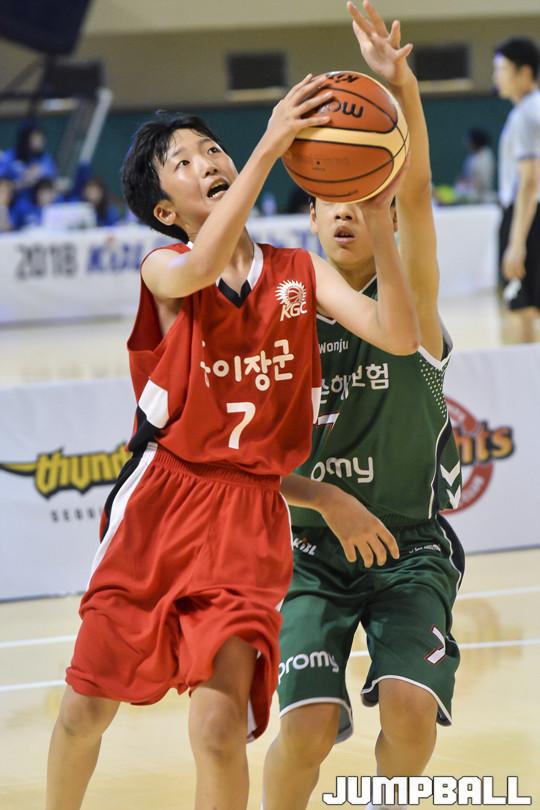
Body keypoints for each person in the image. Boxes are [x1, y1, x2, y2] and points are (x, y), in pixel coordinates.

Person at [45, 74, 419, 810]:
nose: (208, 162)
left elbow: (399, 336)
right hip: (161, 506)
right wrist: (270, 146)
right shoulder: (164, 269)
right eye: (183, 162)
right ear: (164, 210)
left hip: (248, 520)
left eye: (213, 149)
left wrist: (379, 219)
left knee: (219, 730)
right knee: (86, 708)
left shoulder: (299, 272)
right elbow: (198, 267)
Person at [263, 4, 465, 809]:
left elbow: (416, 196)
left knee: (411, 716)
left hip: (410, 546)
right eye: (331, 200)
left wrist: (400, 88)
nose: (347, 211)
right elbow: (239, 459)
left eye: (361, 196)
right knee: (308, 729)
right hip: (307, 551)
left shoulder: (411, 301)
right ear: (310, 215)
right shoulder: (280, 315)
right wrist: (325, 499)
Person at [493, 36, 540, 343]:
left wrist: (517, 242)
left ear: (525, 72)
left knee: (523, 311)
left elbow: (529, 180)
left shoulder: (526, 115)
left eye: (502, 69)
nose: (497, 76)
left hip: (527, 217)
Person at [455, 128, 496, 201]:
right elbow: (465, 177)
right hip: (470, 193)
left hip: (483, 196)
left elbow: (483, 182)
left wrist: (469, 183)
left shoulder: (486, 156)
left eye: (469, 140)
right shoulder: (470, 158)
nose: (467, 142)